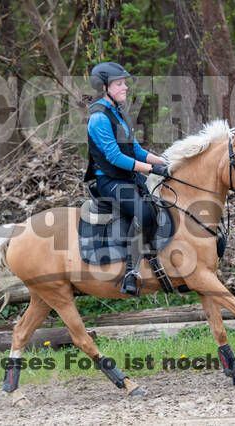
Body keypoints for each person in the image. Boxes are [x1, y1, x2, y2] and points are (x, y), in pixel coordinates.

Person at [85, 62, 169, 296]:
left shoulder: (119, 113)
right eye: (119, 84)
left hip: (128, 177)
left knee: (158, 205)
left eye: (124, 83)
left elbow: (136, 150)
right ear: (104, 88)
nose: (125, 88)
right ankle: (131, 273)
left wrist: (163, 161)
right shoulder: (99, 118)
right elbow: (114, 157)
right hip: (109, 181)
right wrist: (150, 170)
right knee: (142, 212)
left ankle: (151, 255)